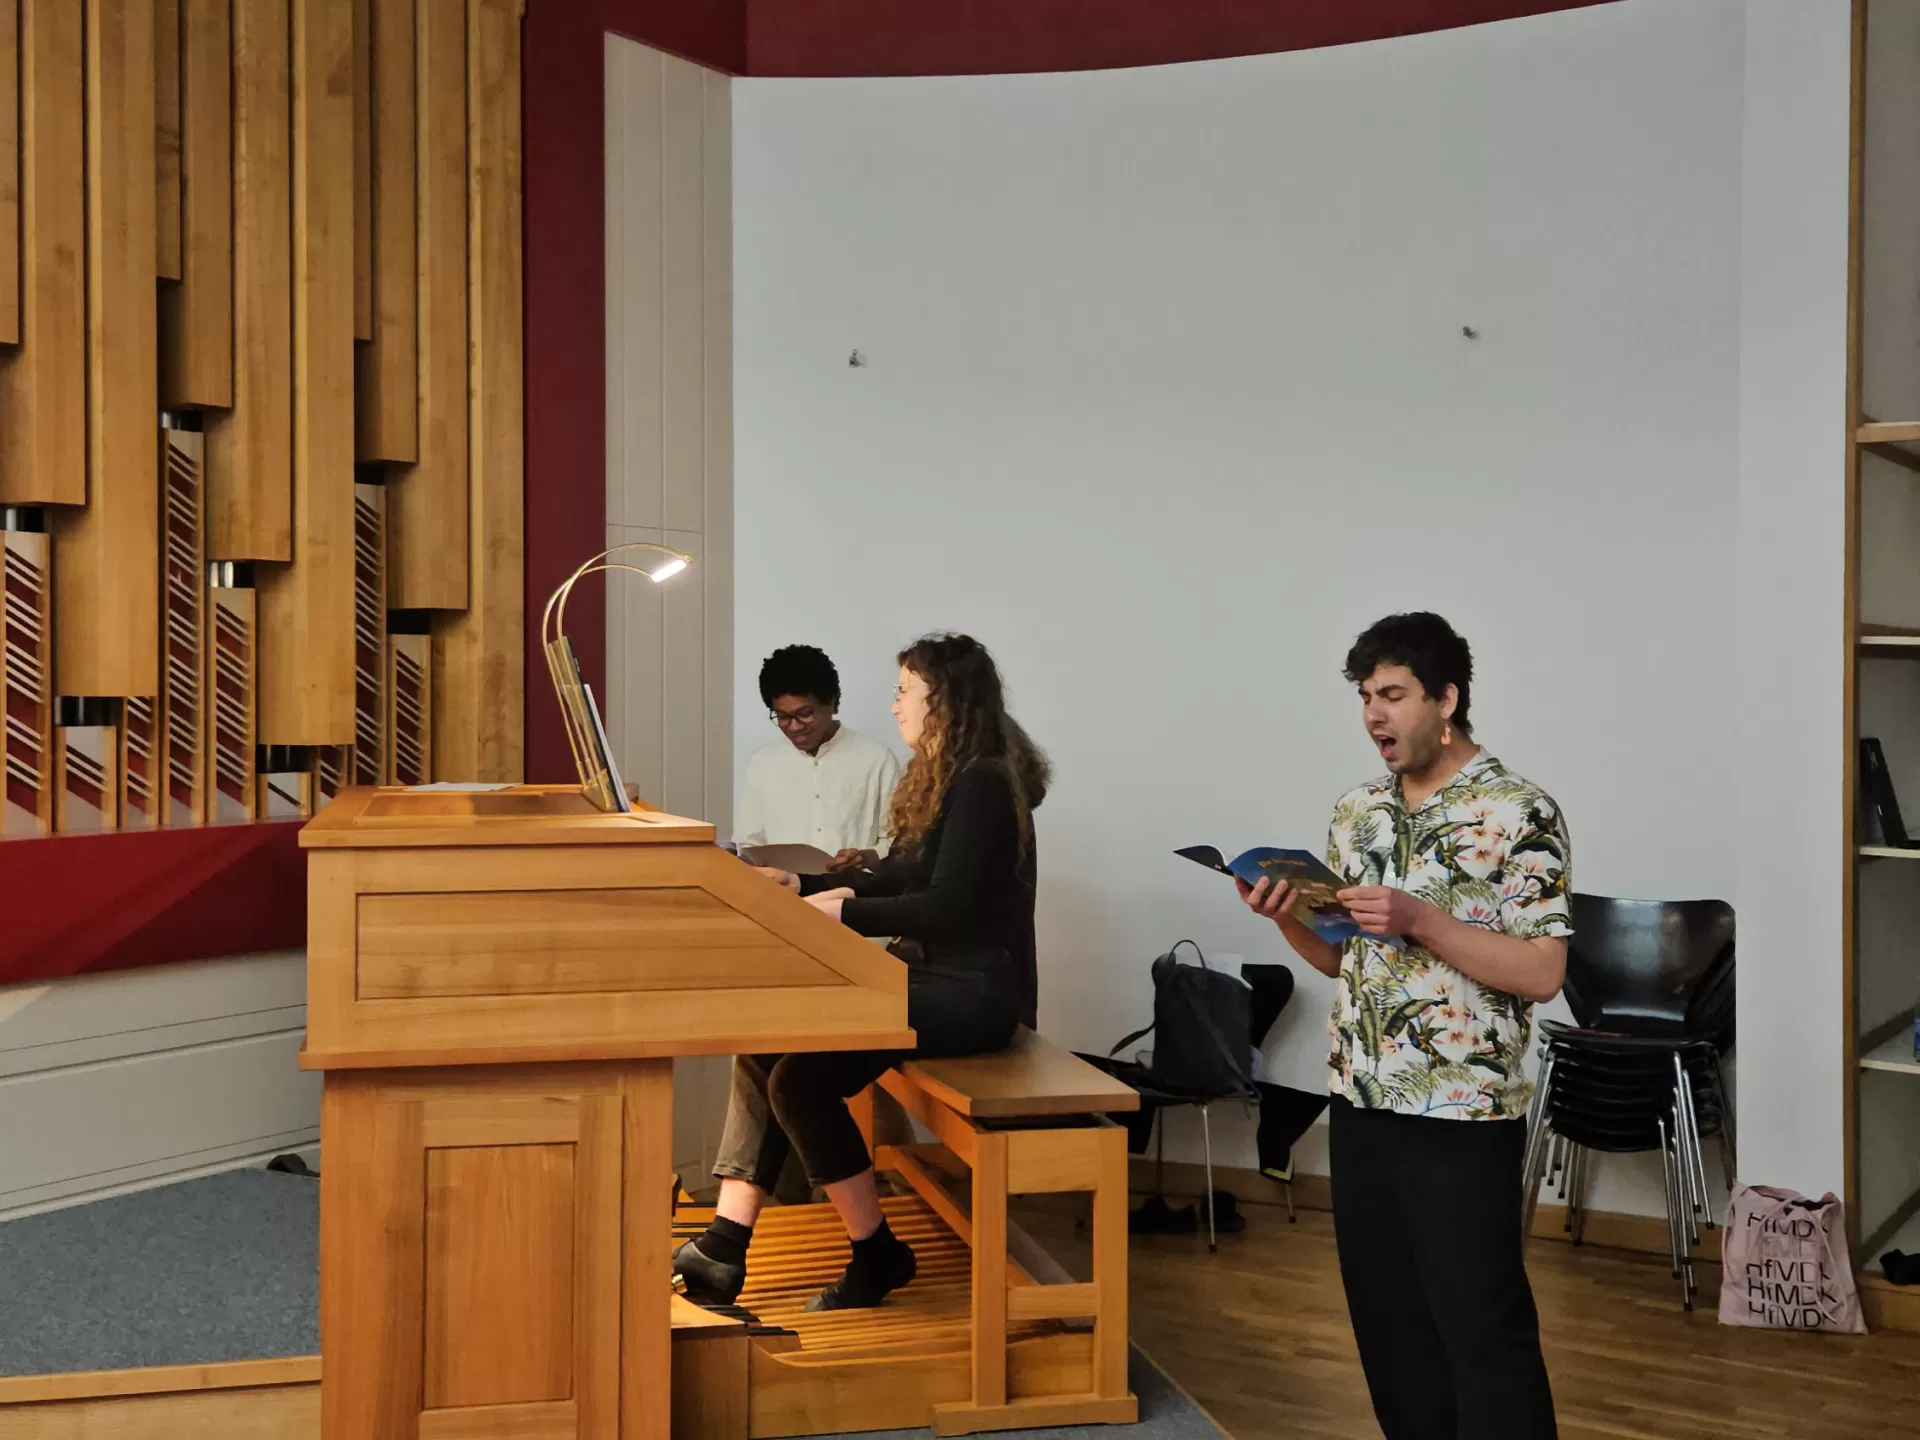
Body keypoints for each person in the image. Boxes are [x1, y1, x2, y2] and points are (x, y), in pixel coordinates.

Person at [1237, 612, 1567, 1440]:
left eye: (1393, 695)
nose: (1374, 716)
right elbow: (1341, 962)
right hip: (1360, 1098)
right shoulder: (1358, 813)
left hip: (1461, 1110)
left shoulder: (1517, 810)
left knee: (1482, 1328)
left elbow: (1542, 972)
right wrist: (1281, 917)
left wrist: (1421, 919)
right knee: (1388, 1326)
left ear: (1447, 698)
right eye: (1364, 697)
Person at [676, 633, 1051, 1312]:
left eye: (906, 689)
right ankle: (726, 1243)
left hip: (974, 994)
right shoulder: (948, 779)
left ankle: (875, 1253)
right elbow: (904, 874)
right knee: (767, 1044)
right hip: (932, 978)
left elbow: (947, 906)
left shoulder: (985, 784)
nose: (895, 703)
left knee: (801, 1080)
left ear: (947, 701)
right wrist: (803, 882)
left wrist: (838, 913)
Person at [737, 644, 901, 872]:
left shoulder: (876, 759)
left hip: (851, 898)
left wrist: (864, 857)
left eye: (805, 714)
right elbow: (748, 844)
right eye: (783, 717)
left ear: (831, 702)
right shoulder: (763, 764)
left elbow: (896, 842)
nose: (794, 727)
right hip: (780, 896)